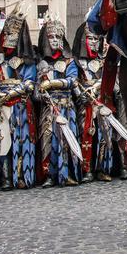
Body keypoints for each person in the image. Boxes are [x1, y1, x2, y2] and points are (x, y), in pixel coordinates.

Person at [0, 7, 37, 190]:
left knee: (22, 141)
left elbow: (30, 83)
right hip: (1, 106)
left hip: (21, 105)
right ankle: (5, 177)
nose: (10, 37)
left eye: (14, 33)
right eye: (7, 32)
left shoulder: (28, 60)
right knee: (3, 141)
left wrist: (10, 93)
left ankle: (22, 176)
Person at [35, 15, 80, 188]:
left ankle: (67, 173)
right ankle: (49, 175)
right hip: (48, 108)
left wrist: (51, 83)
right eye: (51, 37)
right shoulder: (41, 64)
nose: (54, 40)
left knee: (66, 141)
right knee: (47, 140)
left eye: (58, 37)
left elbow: (72, 81)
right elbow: (37, 92)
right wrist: (41, 88)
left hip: (66, 106)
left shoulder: (69, 61)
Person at [75, 25, 115, 182]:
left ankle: (102, 168)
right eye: (90, 38)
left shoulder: (103, 61)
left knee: (104, 136)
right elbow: (73, 81)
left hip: (101, 102)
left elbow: (110, 78)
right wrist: (81, 93)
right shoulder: (77, 62)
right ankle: (87, 169)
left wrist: (97, 87)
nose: (93, 42)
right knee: (86, 135)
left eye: (96, 39)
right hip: (85, 104)